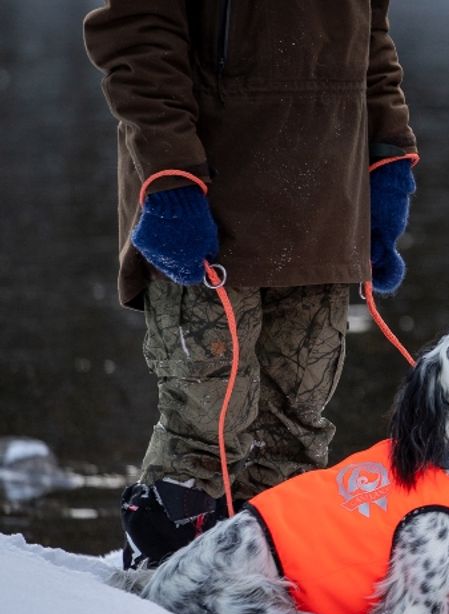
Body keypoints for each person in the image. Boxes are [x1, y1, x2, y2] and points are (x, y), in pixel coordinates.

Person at [83, 2, 418, 569]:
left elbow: (371, 39)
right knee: (205, 429)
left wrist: (388, 154)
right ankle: (164, 612)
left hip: (326, 210)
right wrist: (168, 174)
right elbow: (139, 35)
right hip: (208, 201)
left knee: (295, 435)